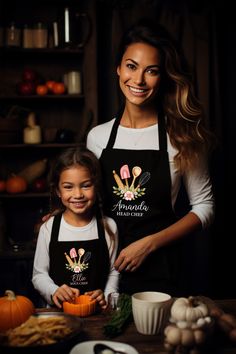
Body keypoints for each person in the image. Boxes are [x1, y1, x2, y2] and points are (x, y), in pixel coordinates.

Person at [86, 20, 215, 296]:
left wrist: (149, 244)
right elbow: (90, 202)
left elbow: (205, 207)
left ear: (164, 76)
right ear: (118, 68)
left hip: (161, 272)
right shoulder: (97, 137)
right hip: (105, 270)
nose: (139, 80)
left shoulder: (181, 136)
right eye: (131, 66)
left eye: (152, 71)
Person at [32, 145, 119, 309]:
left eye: (86, 185)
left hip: (99, 315)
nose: (78, 194)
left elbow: (113, 272)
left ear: (96, 186)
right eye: (68, 187)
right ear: (58, 190)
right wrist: (54, 290)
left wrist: (107, 295)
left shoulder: (108, 227)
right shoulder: (49, 228)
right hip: (59, 315)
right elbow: (39, 275)